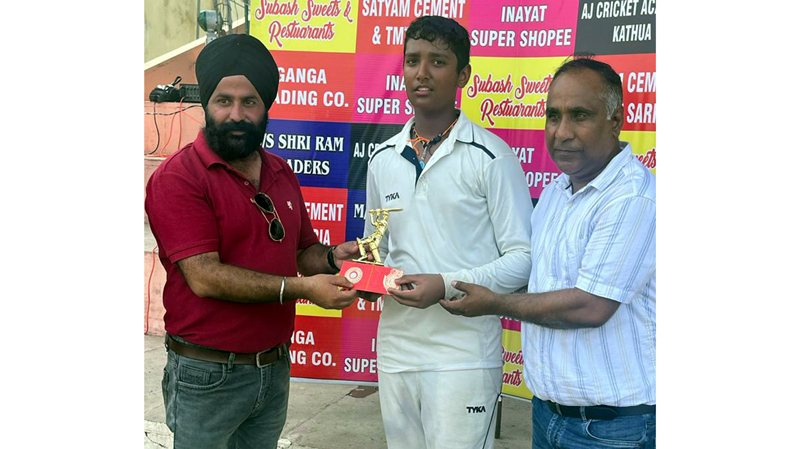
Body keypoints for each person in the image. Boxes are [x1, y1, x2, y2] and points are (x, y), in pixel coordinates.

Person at [144, 34, 360, 449]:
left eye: (249, 102)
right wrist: (303, 289)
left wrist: (335, 258)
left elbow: (302, 253)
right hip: (207, 376)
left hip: (273, 370)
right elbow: (204, 276)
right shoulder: (179, 177)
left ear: (266, 107)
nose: (236, 114)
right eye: (224, 101)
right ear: (206, 104)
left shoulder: (280, 171)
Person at [440, 55, 656, 449]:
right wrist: (445, 277)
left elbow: (590, 306)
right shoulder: (558, 191)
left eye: (579, 116)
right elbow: (537, 280)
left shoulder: (633, 197)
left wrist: (493, 302)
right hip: (549, 415)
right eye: (553, 116)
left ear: (616, 120)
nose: (562, 132)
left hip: (613, 429)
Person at [360, 16, 533, 449]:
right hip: (397, 351)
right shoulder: (382, 158)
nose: (422, 72)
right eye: (412, 60)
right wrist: (363, 275)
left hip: (464, 357)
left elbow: (523, 259)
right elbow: (377, 247)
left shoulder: (491, 157)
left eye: (437, 62)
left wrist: (446, 284)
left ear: (463, 75)